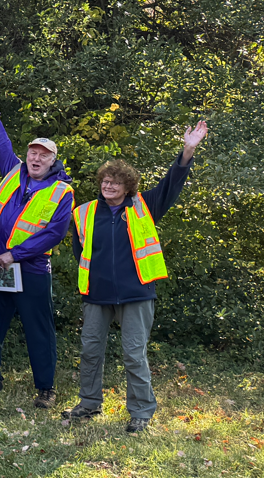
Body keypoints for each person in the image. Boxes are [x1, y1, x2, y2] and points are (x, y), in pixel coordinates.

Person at [64, 121, 206, 433]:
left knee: (133, 354)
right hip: (96, 294)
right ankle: (88, 403)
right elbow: (80, 252)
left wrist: (188, 149)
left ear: (128, 187)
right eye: (105, 181)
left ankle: (140, 411)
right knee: (89, 351)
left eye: (116, 182)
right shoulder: (84, 212)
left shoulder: (145, 206)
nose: (109, 185)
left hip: (136, 293)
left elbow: (172, 183)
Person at [0, 69, 74, 408]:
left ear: (53, 160)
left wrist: (15, 254)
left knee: (38, 330)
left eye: (43, 154)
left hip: (29, 270)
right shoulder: (13, 170)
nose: (35, 157)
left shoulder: (62, 191)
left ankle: (46, 388)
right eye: (32, 152)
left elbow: (53, 233)